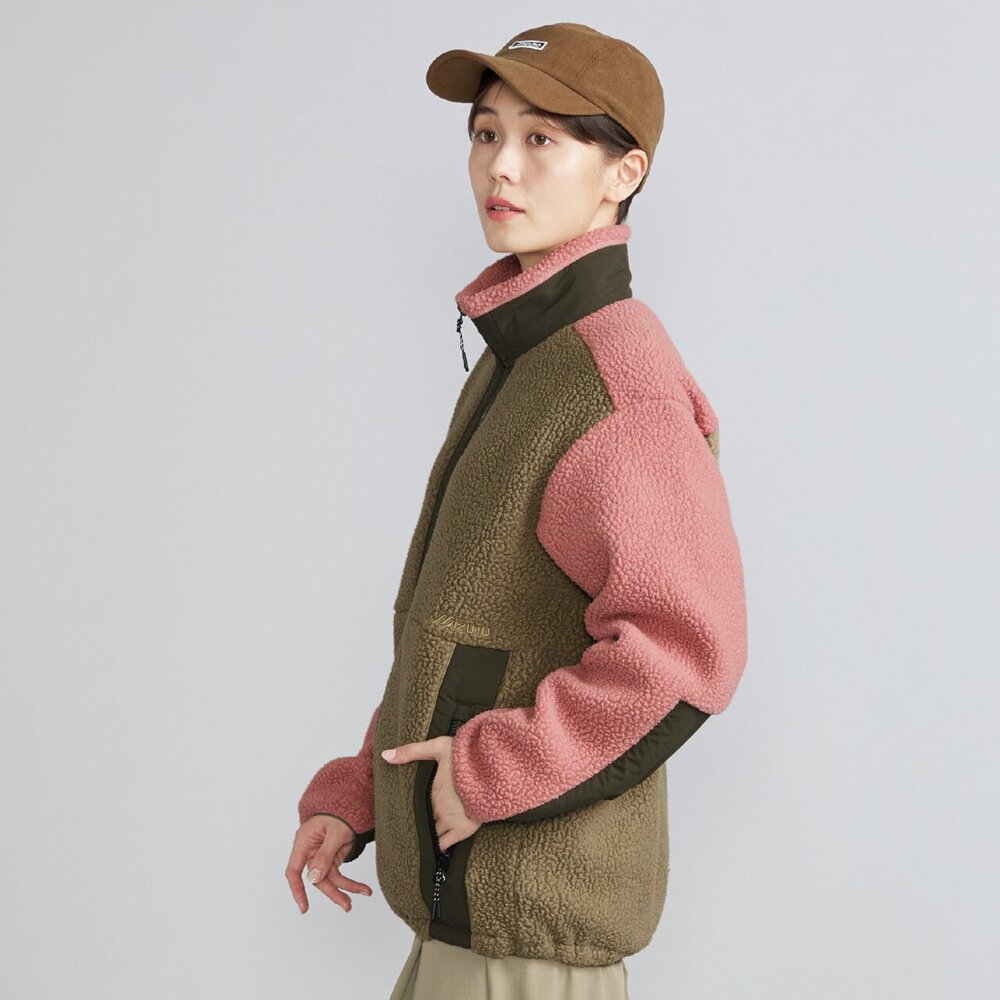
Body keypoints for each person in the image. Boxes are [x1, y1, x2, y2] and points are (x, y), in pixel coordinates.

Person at [285, 21, 749, 1000]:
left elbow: (684, 650)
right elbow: (464, 637)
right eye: (486, 133)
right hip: (467, 923)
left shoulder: (616, 384)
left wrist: (489, 771)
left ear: (623, 173)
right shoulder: (525, 360)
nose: (500, 165)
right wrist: (363, 793)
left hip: (524, 947)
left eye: (542, 139)